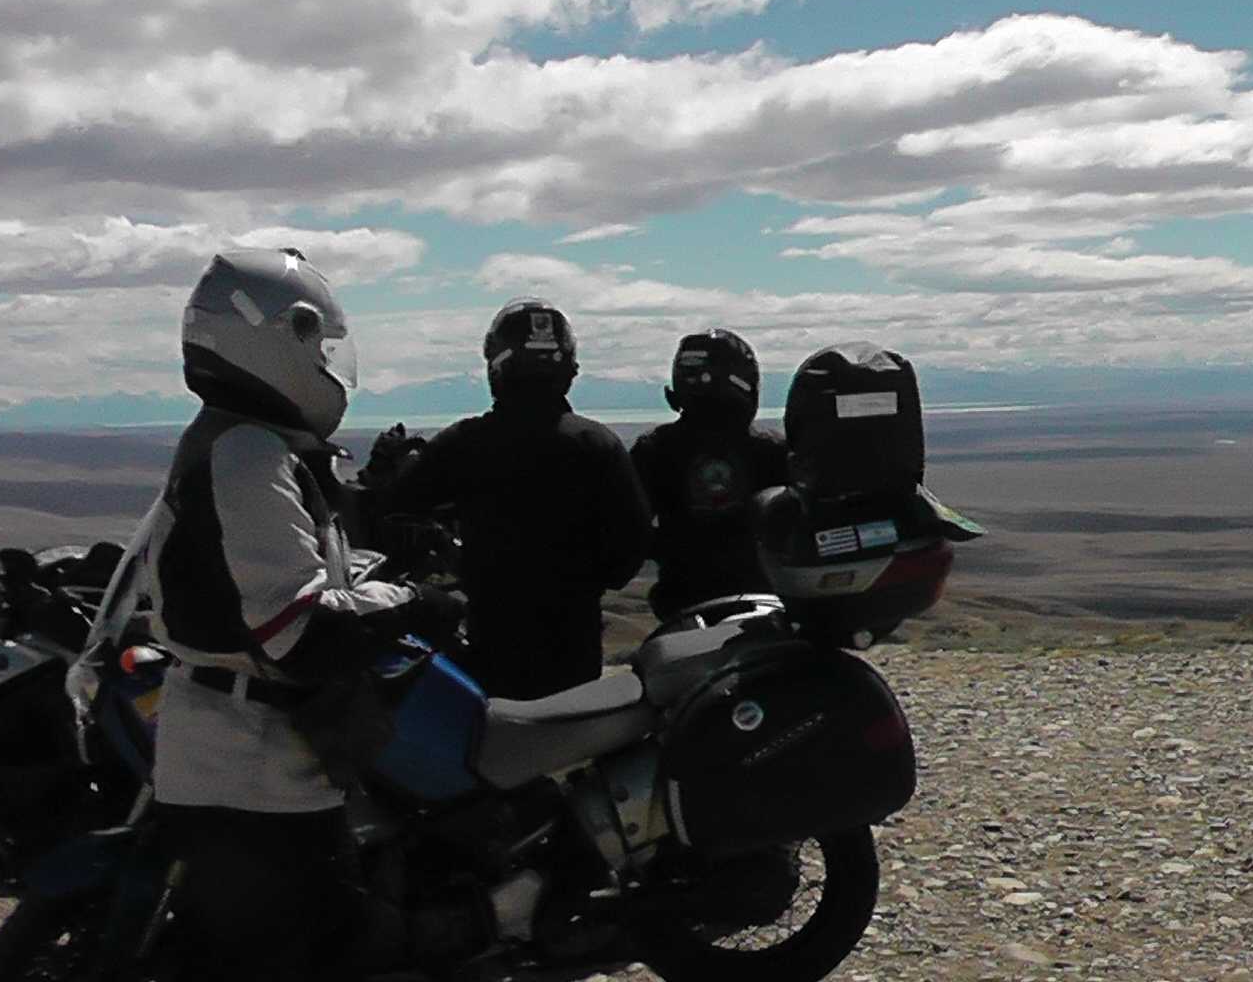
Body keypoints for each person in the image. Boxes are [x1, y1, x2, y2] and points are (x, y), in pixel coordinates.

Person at [139, 249, 463, 982]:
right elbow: (300, 632)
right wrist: (418, 604)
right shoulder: (247, 454)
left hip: (239, 762)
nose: (329, 366)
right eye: (319, 347)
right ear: (282, 338)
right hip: (252, 774)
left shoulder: (236, 442)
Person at [368, 298, 652, 700]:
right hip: (574, 641)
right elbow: (629, 548)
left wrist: (450, 552)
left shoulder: (464, 443)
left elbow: (394, 511)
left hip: (491, 637)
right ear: (567, 367)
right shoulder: (599, 444)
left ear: (497, 366)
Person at [629, 329, 789, 621]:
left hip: (682, 604)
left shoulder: (654, 448)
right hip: (765, 603)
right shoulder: (772, 449)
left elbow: (629, 531)